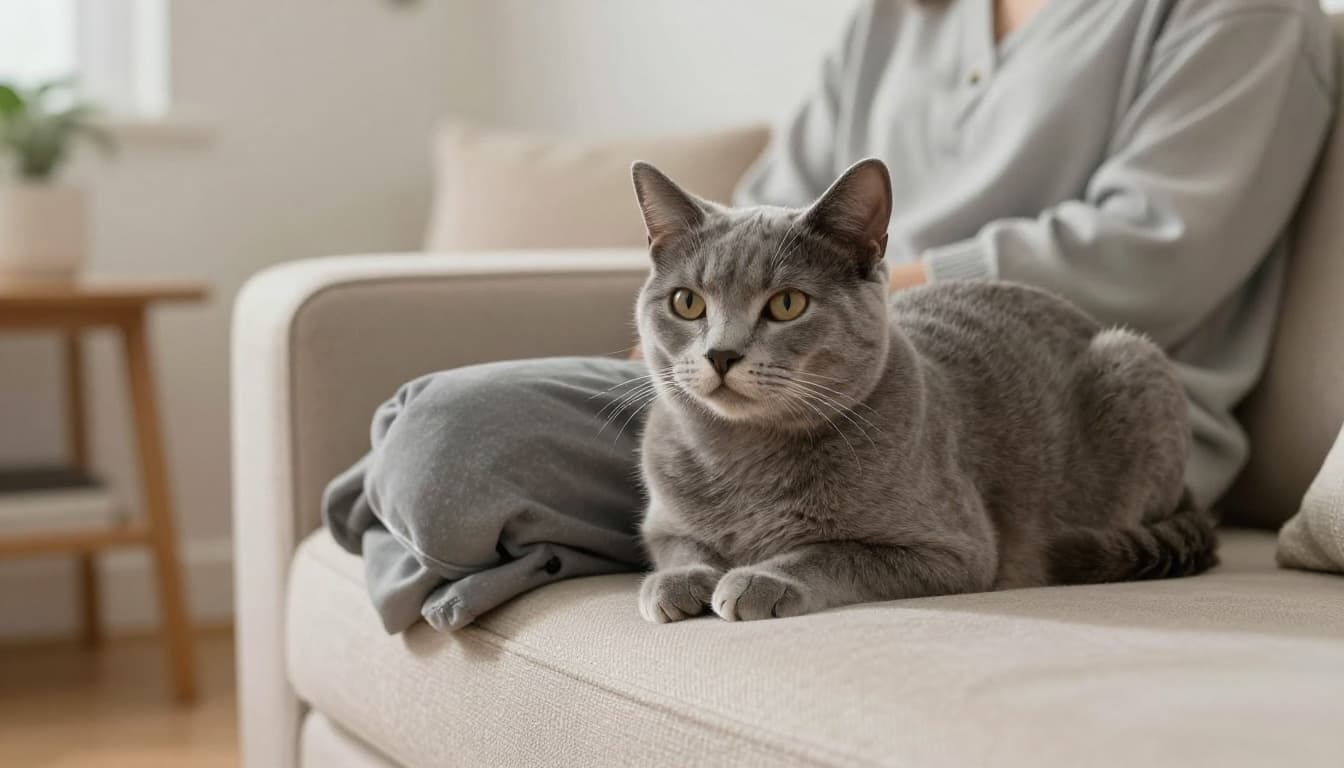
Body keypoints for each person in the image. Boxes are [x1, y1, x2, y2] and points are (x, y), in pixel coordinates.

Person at [325, 0, 1337, 632]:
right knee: (440, 436)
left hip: (964, 408)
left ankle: (420, 519)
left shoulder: (1239, 14)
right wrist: (708, 306)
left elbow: (1151, 259)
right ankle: (432, 515)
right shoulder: (899, 16)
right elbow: (762, 204)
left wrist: (862, 295)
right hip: (759, 372)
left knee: (451, 440)